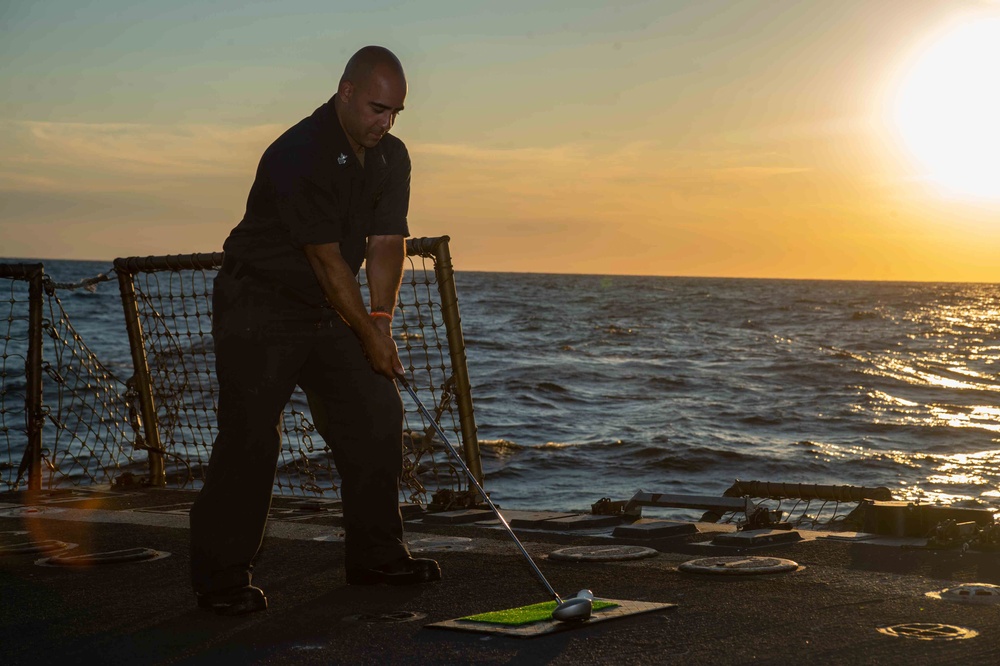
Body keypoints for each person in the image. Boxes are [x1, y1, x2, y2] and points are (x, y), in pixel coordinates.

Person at [189, 46, 440, 616]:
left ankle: (375, 556)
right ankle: (221, 577)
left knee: (377, 414)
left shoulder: (392, 157)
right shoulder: (298, 151)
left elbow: (384, 243)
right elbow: (327, 260)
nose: (387, 122)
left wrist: (381, 321)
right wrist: (372, 337)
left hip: (330, 307)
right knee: (252, 436)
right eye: (378, 108)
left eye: (397, 112)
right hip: (260, 301)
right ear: (346, 92)